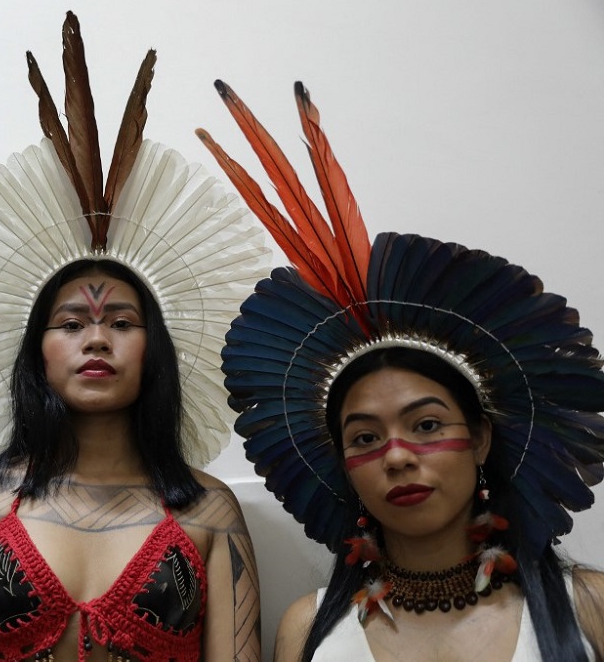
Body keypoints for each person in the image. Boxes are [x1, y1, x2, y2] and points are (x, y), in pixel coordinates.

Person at [198, 81, 604, 660]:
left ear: (482, 437)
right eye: (365, 437)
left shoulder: (587, 607)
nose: (396, 455)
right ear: (342, 463)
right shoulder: (307, 631)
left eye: (428, 425)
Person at [0, 12, 266, 661]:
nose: (96, 340)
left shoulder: (209, 514)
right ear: (36, 350)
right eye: (72, 323)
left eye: (122, 323)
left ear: (153, 348)